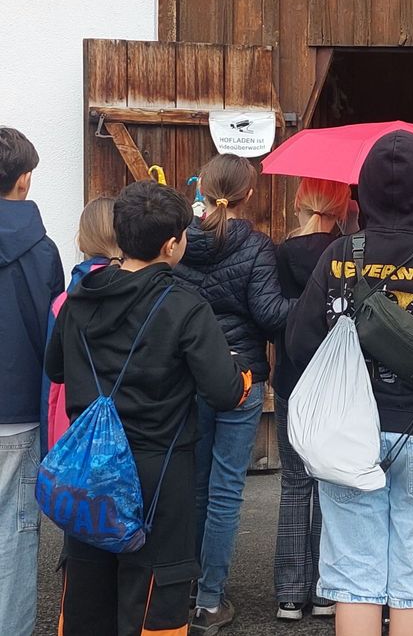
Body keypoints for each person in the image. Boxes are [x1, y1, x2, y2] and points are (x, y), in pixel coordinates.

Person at [286, 130, 413, 636]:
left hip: (348, 433)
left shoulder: (338, 256)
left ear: (365, 189)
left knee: (355, 580)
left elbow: (299, 344)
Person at [45, 180, 250, 636]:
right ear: (171, 244)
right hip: (158, 474)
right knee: (154, 597)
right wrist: (244, 374)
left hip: (88, 468)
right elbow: (224, 392)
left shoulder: (80, 297)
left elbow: (55, 368)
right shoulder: (185, 306)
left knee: (86, 594)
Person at [174, 153, 291, 634]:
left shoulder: (180, 241)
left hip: (190, 376)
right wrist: (313, 302)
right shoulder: (257, 245)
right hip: (241, 378)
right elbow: (270, 314)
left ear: (202, 188)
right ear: (249, 194)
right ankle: (210, 601)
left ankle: (187, 585)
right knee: (225, 491)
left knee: (196, 485)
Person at [273, 177, 351, 622]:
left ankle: (289, 594)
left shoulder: (282, 253)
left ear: (300, 202)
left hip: (291, 376)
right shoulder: (349, 252)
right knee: (328, 482)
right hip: (335, 381)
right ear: (343, 206)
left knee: (293, 482)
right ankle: (325, 590)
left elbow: (272, 313)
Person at [0, 126, 64, 636]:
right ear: (24, 180)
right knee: (14, 536)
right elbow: (55, 335)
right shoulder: (42, 251)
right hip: (17, 410)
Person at [44, 196, 122, 451]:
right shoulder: (142, 294)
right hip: (129, 433)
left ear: (81, 240)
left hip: (71, 429)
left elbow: (52, 386)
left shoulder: (63, 303)